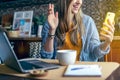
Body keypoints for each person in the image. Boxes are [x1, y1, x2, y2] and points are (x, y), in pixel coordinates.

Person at [40, 0, 115, 61]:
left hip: (83, 72)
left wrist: (106, 43)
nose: (79, 2)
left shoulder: (88, 22)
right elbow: (46, 57)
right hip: (58, 72)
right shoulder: (50, 23)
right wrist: (52, 30)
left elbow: (95, 53)